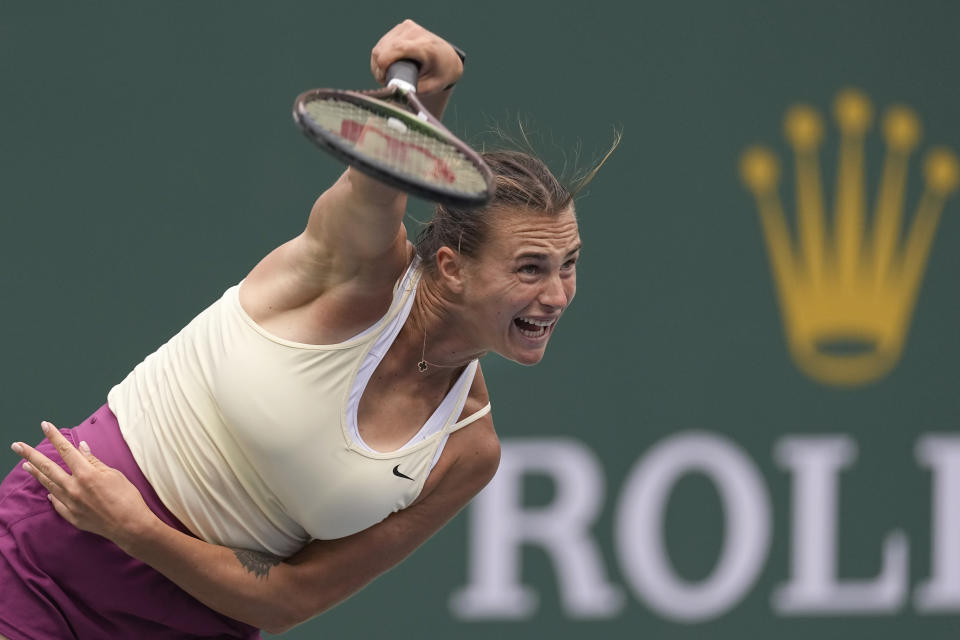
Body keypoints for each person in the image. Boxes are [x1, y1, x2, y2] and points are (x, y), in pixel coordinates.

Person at [0, 19, 596, 640]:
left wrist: (137, 531)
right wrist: (430, 93)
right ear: (451, 269)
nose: (555, 296)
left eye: (569, 265)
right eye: (530, 269)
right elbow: (378, 179)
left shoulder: (469, 451)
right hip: (54, 548)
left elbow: (291, 599)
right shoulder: (357, 270)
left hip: (184, 615)